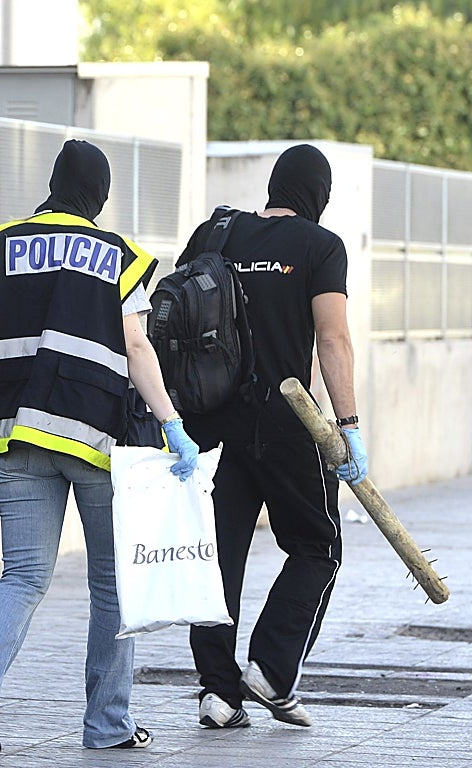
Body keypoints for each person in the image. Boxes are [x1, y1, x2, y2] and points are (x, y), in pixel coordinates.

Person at [0, 139, 200, 753]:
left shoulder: (3, 246)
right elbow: (137, 345)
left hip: (14, 435)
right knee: (111, 585)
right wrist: (171, 422)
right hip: (94, 437)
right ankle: (107, 725)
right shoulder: (118, 256)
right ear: (98, 195)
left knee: (22, 576)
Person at [179, 144, 365, 731]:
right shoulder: (320, 245)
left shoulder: (220, 232)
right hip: (288, 424)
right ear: (319, 195)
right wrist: (350, 427)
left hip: (210, 426)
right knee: (317, 545)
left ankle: (218, 692)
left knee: (219, 557)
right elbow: (332, 339)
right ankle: (273, 669)